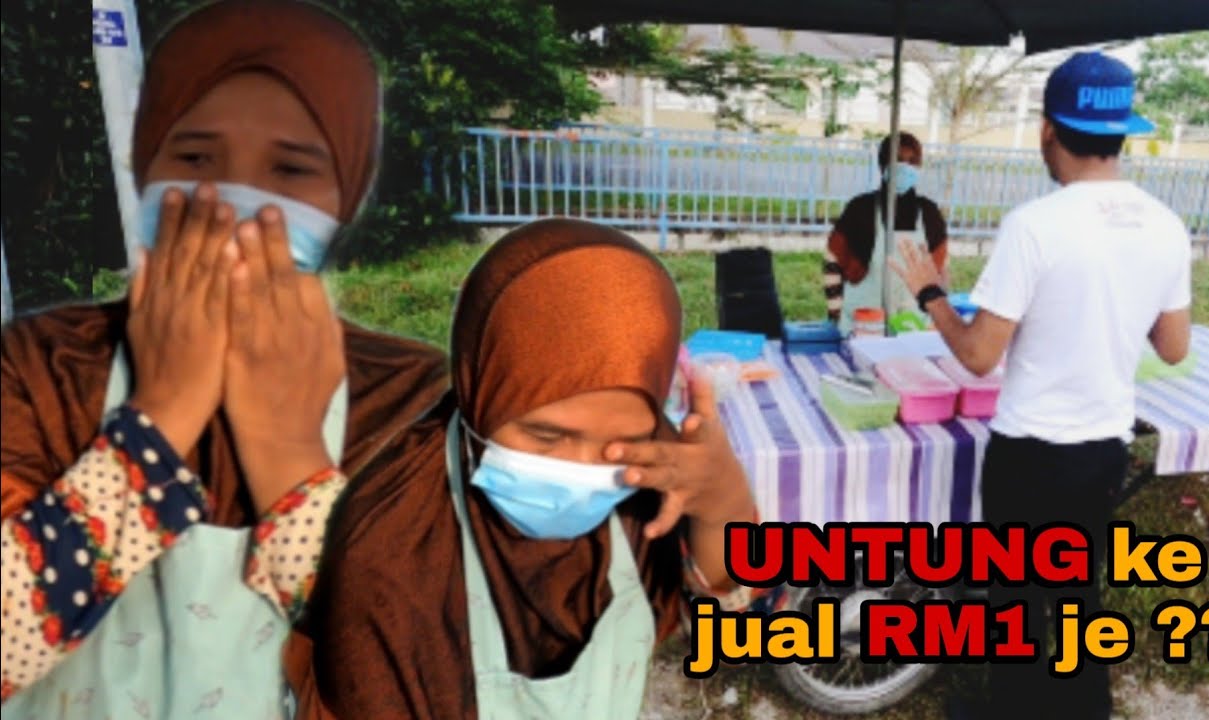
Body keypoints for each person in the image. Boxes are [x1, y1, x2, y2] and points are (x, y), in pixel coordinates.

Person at [0, 1, 451, 714]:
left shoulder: (413, 398)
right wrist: (161, 416)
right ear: (147, 166)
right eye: (195, 159)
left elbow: (423, 674)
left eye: (291, 169)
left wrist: (289, 454)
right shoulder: (40, 367)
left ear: (348, 192)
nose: (234, 201)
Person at [293, 218, 780, 720]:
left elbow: (723, 598)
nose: (581, 472)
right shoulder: (390, 554)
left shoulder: (643, 483)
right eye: (546, 437)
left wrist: (721, 498)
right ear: (480, 391)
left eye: (624, 442)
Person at [889, 52, 1192, 720]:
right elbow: (1173, 347)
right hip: (1103, 448)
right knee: (1079, 595)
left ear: (1048, 130)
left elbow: (978, 355)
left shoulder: (1035, 225)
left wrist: (931, 294)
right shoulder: (1165, 225)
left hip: (1029, 452)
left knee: (1016, 600)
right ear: (1122, 131)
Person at [823, 131, 948, 335]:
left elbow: (941, 272)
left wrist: (940, 317)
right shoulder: (860, 209)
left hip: (914, 326)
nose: (904, 167)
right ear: (882, 165)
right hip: (862, 326)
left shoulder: (930, 213)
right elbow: (832, 260)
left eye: (912, 161)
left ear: (919, 167)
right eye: (897, 159)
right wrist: (836, 314)